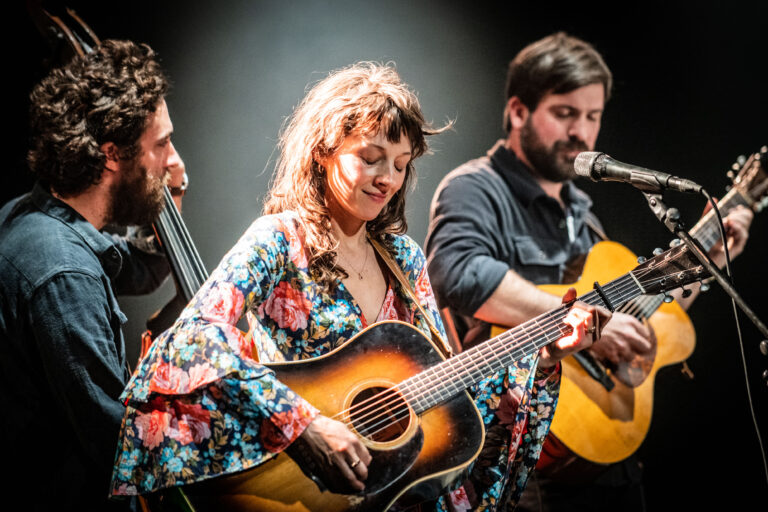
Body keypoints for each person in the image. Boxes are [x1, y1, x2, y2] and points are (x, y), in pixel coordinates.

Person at [108, 62, 607, 510]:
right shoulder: (280, 239)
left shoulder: (404, 258)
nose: (387, 177)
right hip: (297, 487)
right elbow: (191, 338)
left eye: (401, 164)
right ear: (323, 152)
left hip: (393, 491)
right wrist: (304, 423)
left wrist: (543, 356)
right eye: (371, 157)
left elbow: (447, 394)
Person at [424, 32, 753, 511]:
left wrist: (708, 262)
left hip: (606, 460)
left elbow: (645, 311)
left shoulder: (583, 211)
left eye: (593, 116)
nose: (582, 131)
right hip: (522, 461)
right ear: (518, 111)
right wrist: (583, 324)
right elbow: (458, 273)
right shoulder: (475, 188)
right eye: (565, 113)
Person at [0, 40, 186, 510]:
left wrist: (171, 198)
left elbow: (136, 270)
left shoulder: (33, 215)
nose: (172, 160)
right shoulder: (63, 273)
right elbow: (120, 444)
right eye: (161, 144)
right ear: (111, 155)